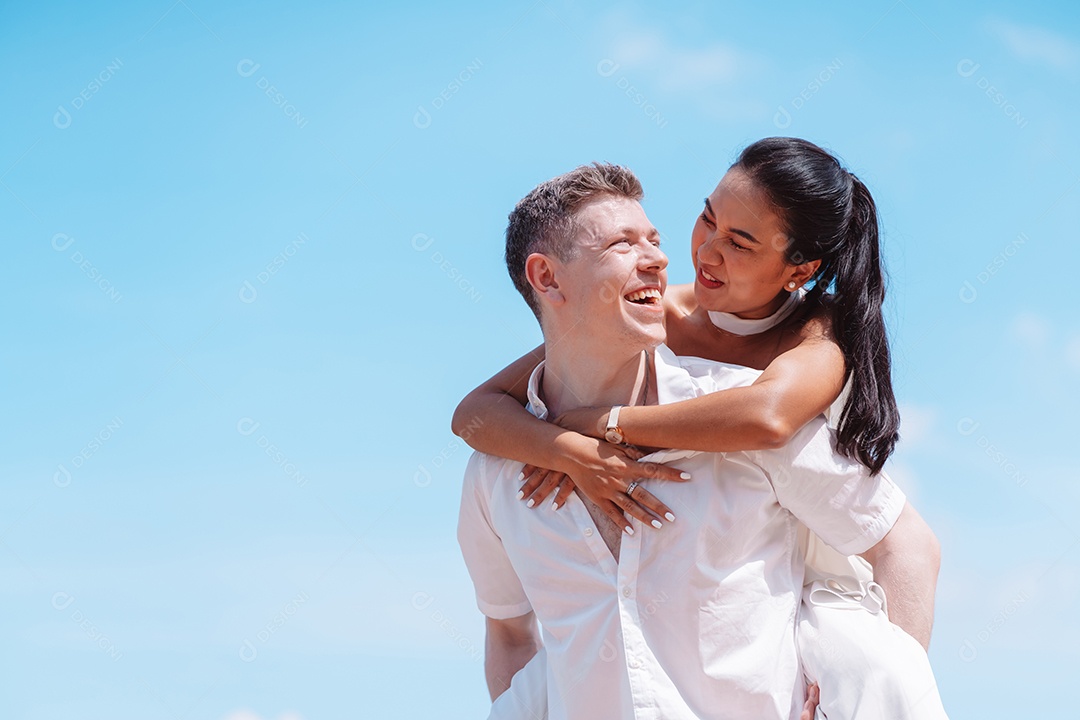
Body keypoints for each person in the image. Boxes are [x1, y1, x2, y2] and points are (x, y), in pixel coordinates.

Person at [454, 139, 949, 718]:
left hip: (826, 569)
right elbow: (476, 411)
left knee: (866, 664)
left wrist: (607, 426)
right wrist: (564, 448)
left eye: (740, 243)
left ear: (800, 271)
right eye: (708, 219)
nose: (703, 253)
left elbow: (766, 418)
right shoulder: (661, 313)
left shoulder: (817, 334)